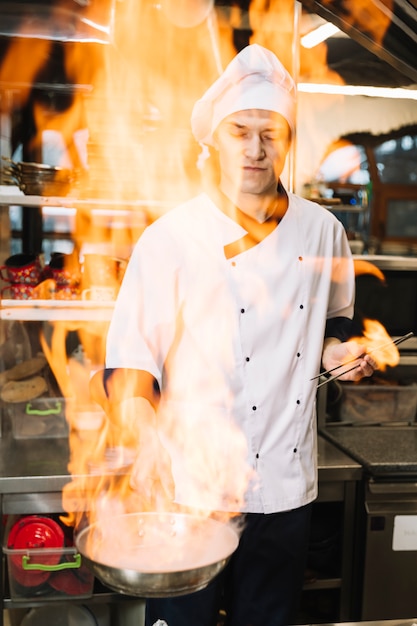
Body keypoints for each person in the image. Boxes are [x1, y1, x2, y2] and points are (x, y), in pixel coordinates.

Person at [103, 43, 376, 626]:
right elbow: (131, 360)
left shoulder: (323, 231)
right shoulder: (170, 238)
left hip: (284, 480)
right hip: (191, 488)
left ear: (287, 139)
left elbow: (332, 325)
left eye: (270, 132)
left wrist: (342, 353)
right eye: (239, 131)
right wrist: (143, 434)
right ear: (214, 140)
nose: (255, 149)